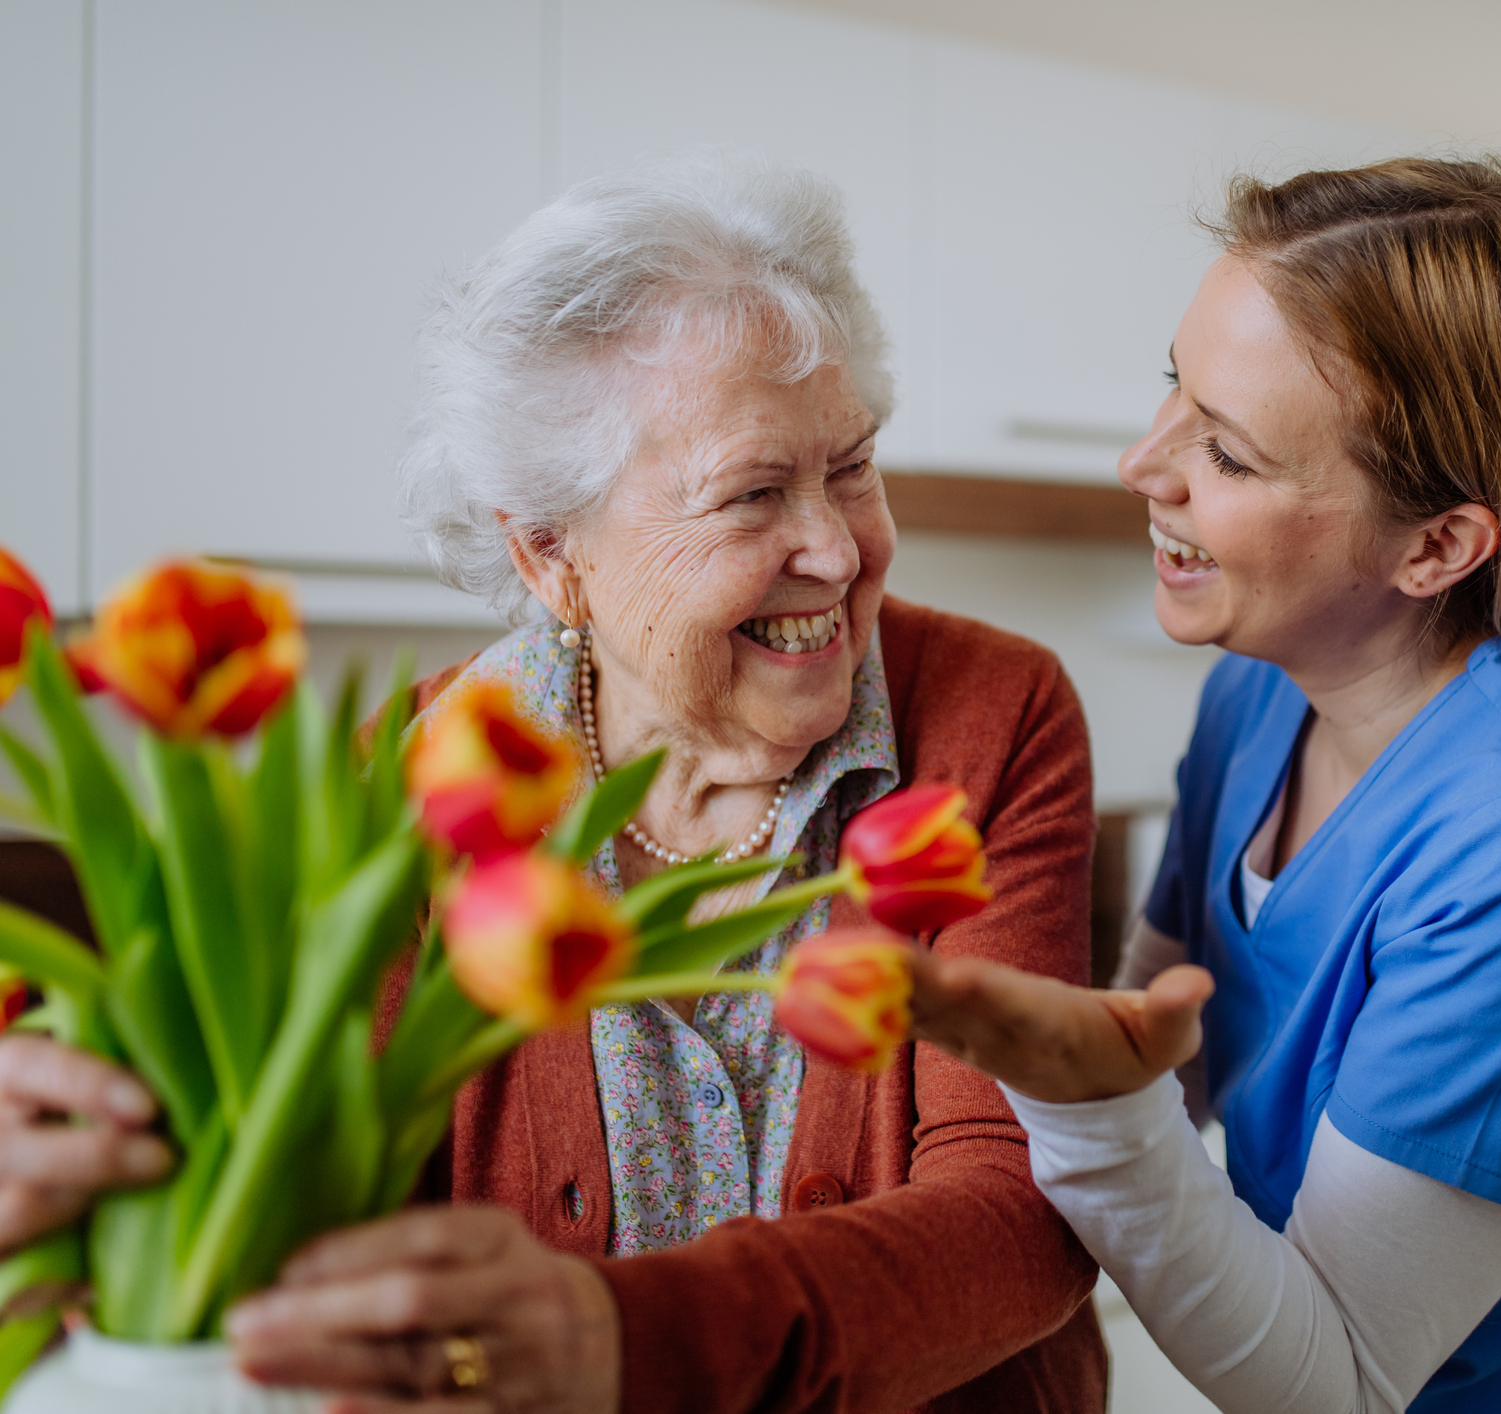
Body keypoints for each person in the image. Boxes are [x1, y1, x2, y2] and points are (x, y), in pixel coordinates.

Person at [0, 156, 1105, 1412]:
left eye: (851, 465)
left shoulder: (990, 713)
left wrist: (619, 1339)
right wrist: (122, 1159)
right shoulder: (411, 785)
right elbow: (296, 1194)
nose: (839, 546)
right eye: (754, 494)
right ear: (549, 553)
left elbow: (1025, 1204)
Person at [907, 158, 1501, 1413]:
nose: (1142, 461)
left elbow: (1334, 1379)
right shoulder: (1260, 692)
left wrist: (1088, 1103)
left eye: (1226, 454)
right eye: (1171, 385)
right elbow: (1157, 1045)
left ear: (1436, 545)